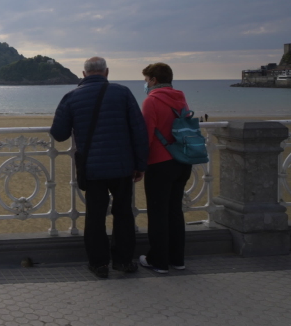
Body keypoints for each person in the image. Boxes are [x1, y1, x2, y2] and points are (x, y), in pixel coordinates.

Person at [50, 56, 148, 279]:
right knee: (123, 213)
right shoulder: (123, 93)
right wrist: (141, 164)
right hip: (123, 167)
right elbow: (138, 130)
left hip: (92, 168)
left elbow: (59, 133)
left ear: (83, 74)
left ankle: (99, 264)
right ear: (107, 72)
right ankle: (123, 261)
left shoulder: (71, 97)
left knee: (95, 215)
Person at [139, 62, 192, 274]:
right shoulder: (181, 98)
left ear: (153, 80)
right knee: (175, 211)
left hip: (160, 164)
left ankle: (158, 261)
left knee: (158, 212)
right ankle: (177, 259)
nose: (145, 84)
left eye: (146, 80)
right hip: (182, 161)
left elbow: (146, 136)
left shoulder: (151, 101)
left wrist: (140, 164)